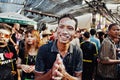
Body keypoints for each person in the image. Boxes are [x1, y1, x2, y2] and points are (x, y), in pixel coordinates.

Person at [34, 14, 83, 80]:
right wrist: (51, 72)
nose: (64, 32)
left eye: (70, 28)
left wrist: (65, 74)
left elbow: (79, 78)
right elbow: (37, 78)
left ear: (75, 32)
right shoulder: (43, 50)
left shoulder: (77, 51)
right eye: (61, 27)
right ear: (57, 29)